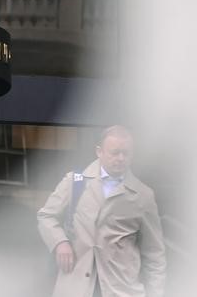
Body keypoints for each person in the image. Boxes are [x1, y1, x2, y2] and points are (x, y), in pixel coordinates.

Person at [37, 125, 166, 297]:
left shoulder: (143, 195)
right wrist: (60, 242)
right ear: (99, 151)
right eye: (115, 152)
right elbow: (46, 216)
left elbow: (154, 255)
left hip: (121, 289)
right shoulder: (75, 181)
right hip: (75, 287)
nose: (121, 158)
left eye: (126, 153)